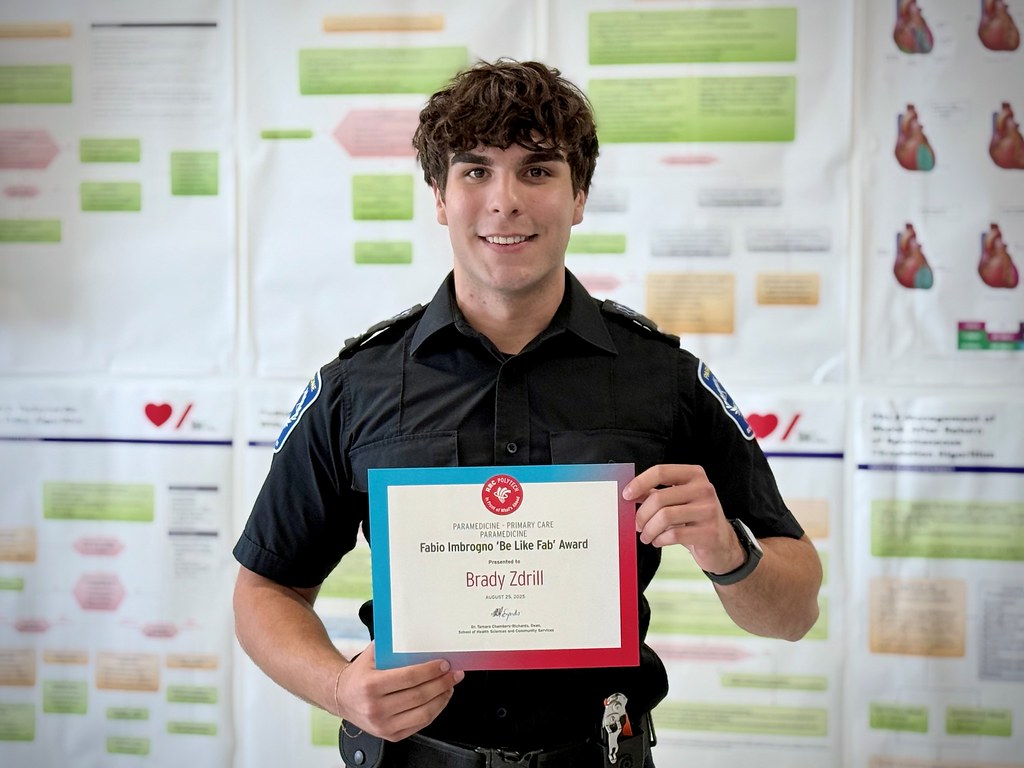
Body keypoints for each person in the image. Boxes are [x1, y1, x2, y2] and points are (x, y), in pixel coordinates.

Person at [232, 58, 822, 768]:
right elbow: (265, 589)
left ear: (579, 197)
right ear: (440, 197)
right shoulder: (357, 385)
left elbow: (795, 611)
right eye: (475, 171)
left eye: (537, 171)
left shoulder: (664, 379)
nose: (504, 201)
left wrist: (730, 551)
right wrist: (338, 687)